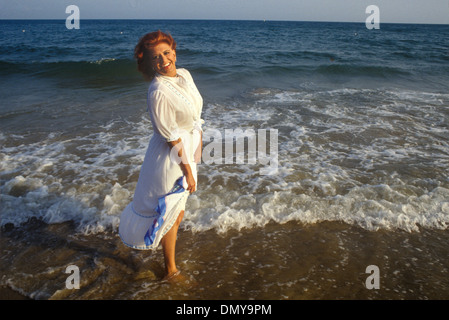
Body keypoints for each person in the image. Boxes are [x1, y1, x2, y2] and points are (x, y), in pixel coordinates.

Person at [118, 30, 203, 281]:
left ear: (174, 53)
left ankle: (169, 264)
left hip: (186, 152)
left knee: (178, 212)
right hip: (170, 159)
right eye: (156, 57)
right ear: (148, 63)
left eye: (166, 53)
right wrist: (188, 170)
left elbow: (194, 116)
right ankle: (170, 270)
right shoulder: (157, 91)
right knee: (170, 214)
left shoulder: (184, 74)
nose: (163, 60)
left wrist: (197, 149)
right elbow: (170, 137)